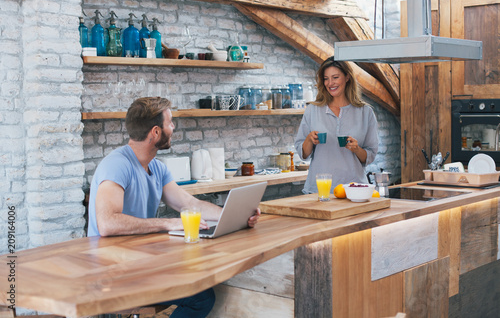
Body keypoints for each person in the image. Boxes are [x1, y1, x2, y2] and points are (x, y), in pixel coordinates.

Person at [87, 96, 261, 318]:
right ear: (156, 132)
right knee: (200, 298)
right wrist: (169, 223)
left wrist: (235, 214)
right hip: (113, 272)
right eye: (170, 122)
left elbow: (189, 204)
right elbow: (107, 223)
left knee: (201, 294)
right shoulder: (117, 165)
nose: (174, 127)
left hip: (139, 265)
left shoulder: (156, 168)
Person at [294, 57, 379, 193]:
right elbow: (303, 154)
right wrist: (309, 139)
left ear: (347, 77)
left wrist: (356, 149)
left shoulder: (365, 112)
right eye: (326, 78)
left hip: (354, 189)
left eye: (335, 77)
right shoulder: (313, 110)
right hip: (319, 190)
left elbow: (369, 156)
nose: (330, 83)